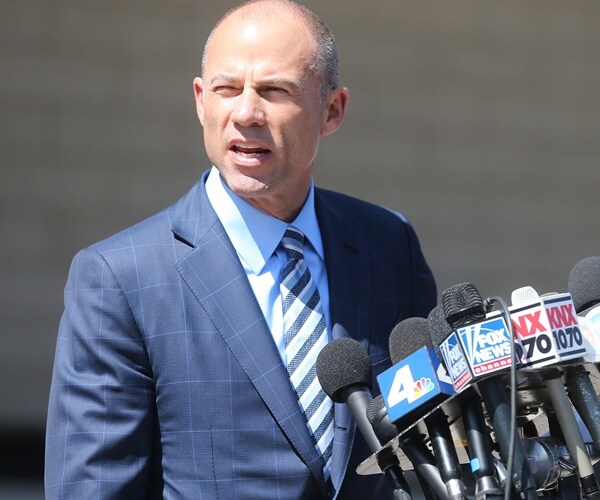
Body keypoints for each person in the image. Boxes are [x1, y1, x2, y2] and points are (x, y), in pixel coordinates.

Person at [44, 1, 437, 498]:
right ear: (200, 100)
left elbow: (435, 441)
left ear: (332, 110)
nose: (246, 113)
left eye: (275, 91)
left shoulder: (388, 245)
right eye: (227, 89)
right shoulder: (120, 279)